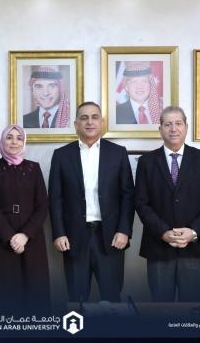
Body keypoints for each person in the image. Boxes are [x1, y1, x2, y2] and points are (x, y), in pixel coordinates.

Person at [49, 101, 135, 303]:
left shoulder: (118, 152)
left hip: (111, 237)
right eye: (84, 118)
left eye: (95, 117)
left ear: (102, 122)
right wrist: (59, 233)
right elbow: (55, 198)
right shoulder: (61, 155)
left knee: (112, 297)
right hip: (73, 238)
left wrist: (124, 230)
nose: (90, 122)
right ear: (76, 124)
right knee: (77, 299)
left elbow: (127, 195)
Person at [135, 106, 200, 302]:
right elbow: (141, 203)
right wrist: (163, 232)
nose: (173, 129)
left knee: (195, 309)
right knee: (161, 309)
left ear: (186, 127)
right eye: (168, 124)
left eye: (178, 123)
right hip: (159, 247)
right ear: (160, 129)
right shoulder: (146, 162)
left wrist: (194, 232)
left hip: (196, 248)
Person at [0, 124, 51, 314]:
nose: (14, 142)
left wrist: (25, 235)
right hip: (2, 239)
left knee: (34, 293)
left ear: (24, 142)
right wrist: (10, 237)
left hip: (31, 238)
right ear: (2, 141)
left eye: (19, 138)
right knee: (5, 294)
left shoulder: (34, 168)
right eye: (9, 137)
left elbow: (42, 205)